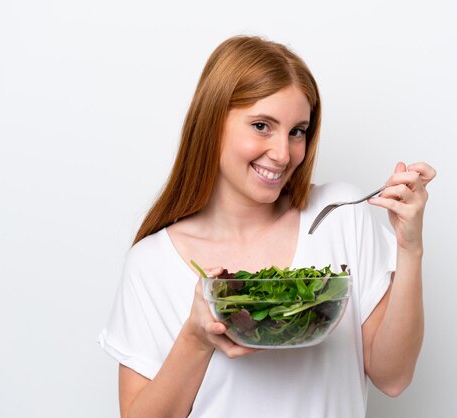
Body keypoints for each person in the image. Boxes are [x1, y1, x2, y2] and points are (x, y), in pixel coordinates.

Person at [98, 35, 436, 418]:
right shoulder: (152, 263)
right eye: (262, 126)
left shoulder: (339, 215)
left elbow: (393, 377)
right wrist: (196, 337)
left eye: (297, 131)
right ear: (211, 122)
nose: (282, 153)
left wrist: (410, 248)